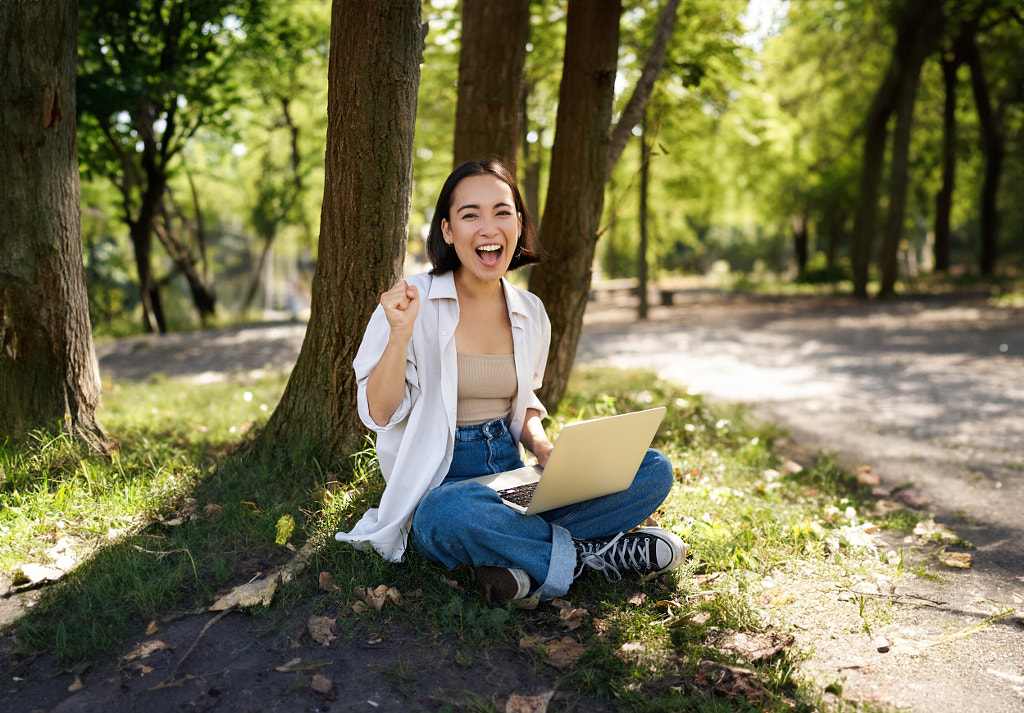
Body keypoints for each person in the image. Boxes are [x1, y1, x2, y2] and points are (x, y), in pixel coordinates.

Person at [335, 159, 686, 606]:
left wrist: (543, 449)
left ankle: (519, 558)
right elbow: (379, 413)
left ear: (519, 225)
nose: (489, 226)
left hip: (511, 475)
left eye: (502, 212)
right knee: (447, 517)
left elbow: (523, 404)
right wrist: (400, 334)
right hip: (443, 483)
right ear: (447, 231)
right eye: (470, 214)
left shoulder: (530, 311)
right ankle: (591, 554)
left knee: (651, 467)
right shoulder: (410, 300)